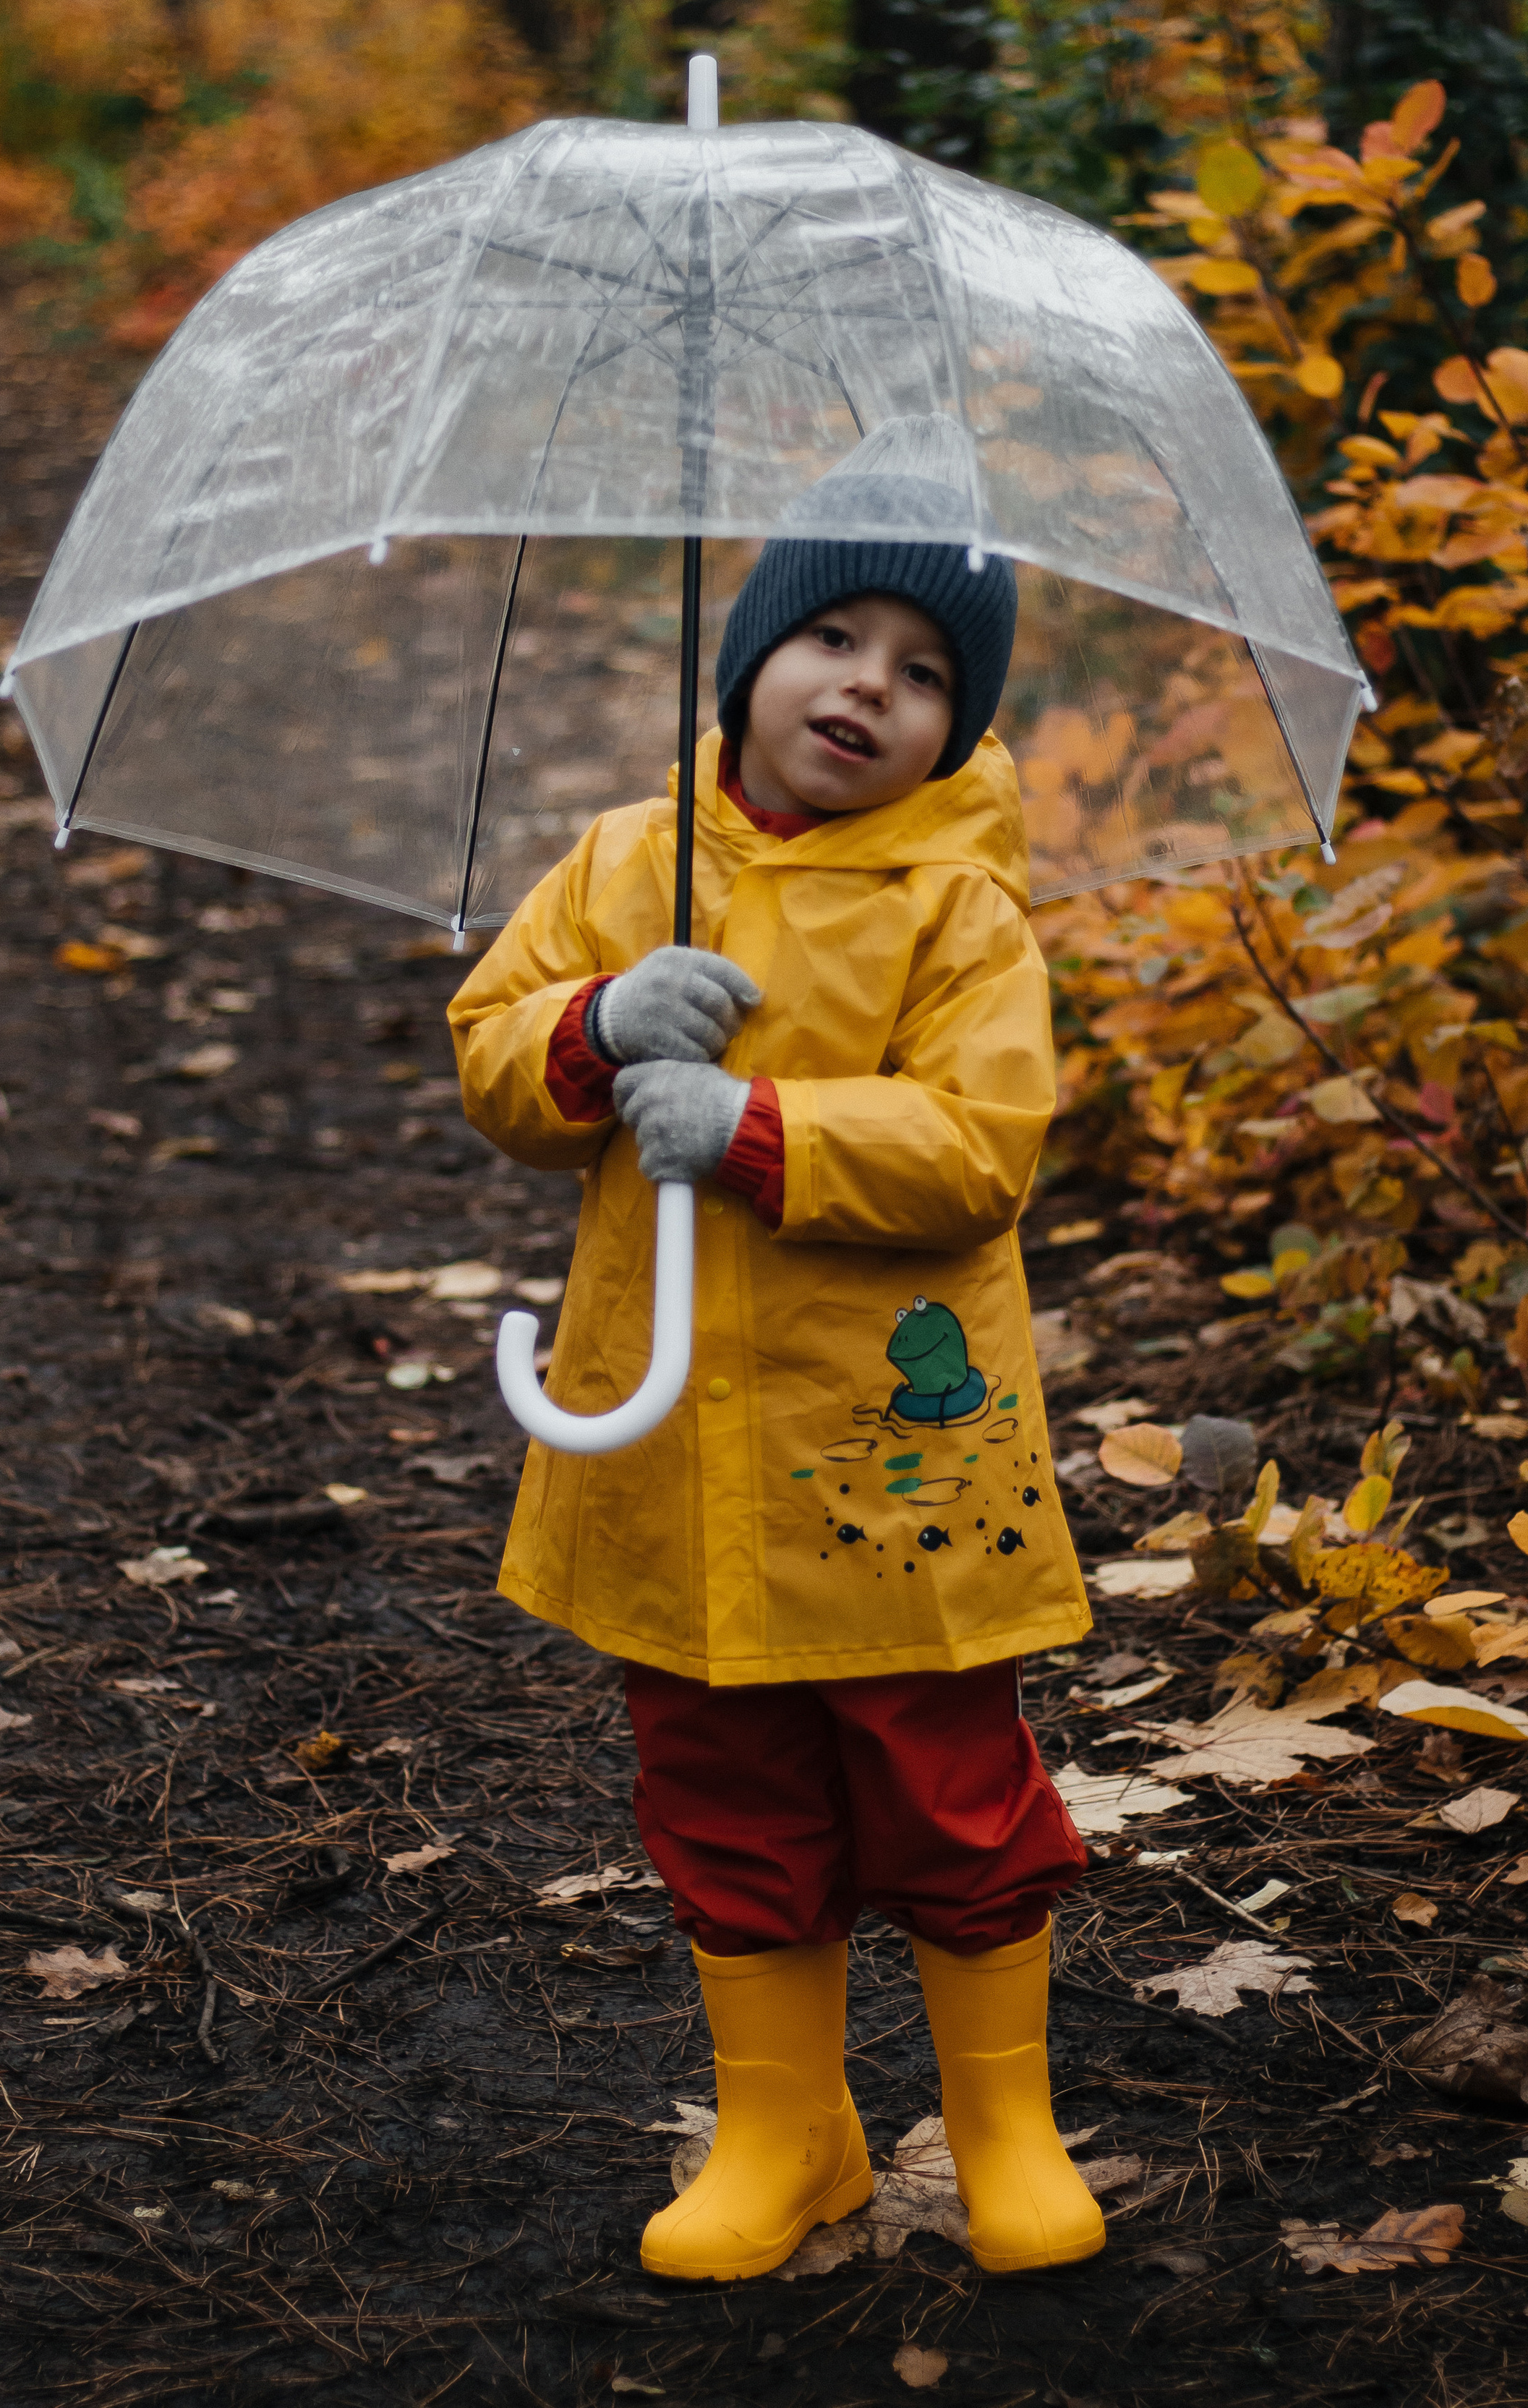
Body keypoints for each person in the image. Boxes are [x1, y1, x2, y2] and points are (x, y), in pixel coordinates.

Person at [448, 523, 1098, 2284]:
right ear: (741, 659)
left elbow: (981, 1148)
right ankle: (782, 2130)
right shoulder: (626, 862)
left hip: (893, 1456)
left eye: (924, 672)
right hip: (672, 1433)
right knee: (722, 1780)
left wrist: (753, 1130)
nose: (868, 685)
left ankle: (1000, 2127)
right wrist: (594, 1022)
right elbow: (494, 1057)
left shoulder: (955, 905)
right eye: (830, 638)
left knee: (943, 1775)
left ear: (955, 733)